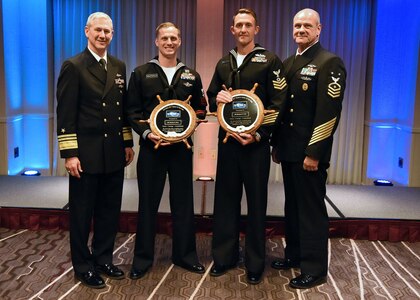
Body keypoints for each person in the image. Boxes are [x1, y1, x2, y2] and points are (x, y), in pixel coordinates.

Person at [207, 8, 287, 285]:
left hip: (255, 146)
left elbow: (279, 104)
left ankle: (255, 262)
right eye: (238, 25)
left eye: (248, 25)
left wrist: (260, 135)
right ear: (232, 30)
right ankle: (223, 257)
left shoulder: (270, 60)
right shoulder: (223, 63)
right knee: (225, 202)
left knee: (256, 205)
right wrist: (216, 97)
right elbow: (210, 98)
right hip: (229, 145)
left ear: (256, 29)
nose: (242, 29)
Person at [56, 12, 134, 289]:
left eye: (108, 32)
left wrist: (127, 142)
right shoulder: (74, 66)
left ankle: (103, 259)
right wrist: (70, 154)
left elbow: (121, 111)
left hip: (112, 152)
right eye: (98, 30)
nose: (103, 35)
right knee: (81, 213)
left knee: (109, 211)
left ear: (113, 35)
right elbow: (65, 114)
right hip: (85, 154)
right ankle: (82, 266)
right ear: (87, 31)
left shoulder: (119, 65)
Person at [270, 8, 346, 289]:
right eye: (297, 25)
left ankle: (314, 268)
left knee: (312, 210)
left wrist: (314, 153)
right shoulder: (289, 62)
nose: (301, 29)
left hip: (309, 154)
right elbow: (282, 110)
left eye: (307, 25)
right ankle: (295, 255)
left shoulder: (329, 62)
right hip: (288, 151)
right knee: (293, 206)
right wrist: (276, 144)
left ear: (319, 29)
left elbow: (328, 113)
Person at [126, 22, 207, 280]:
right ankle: (142, 259)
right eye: (165, 38)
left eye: (174, 38)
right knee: (147, 204)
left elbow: (202, 109)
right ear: (156, 42)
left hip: (182, 151)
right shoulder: (141, 73)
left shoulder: (191, 76)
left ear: (180, 42)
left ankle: (185, 255)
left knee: (183, 204)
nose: (169, 42)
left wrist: (189, 125)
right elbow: (132, 112)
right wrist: (149, 133)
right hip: (152, 149)